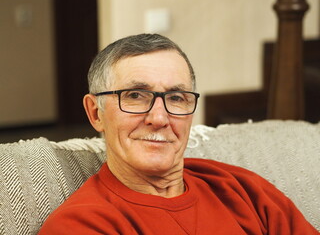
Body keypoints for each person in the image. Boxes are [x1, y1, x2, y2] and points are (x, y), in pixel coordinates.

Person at [38, 34, 319, 234]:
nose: (159, 118)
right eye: (135, 95)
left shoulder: (244, 189)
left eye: (175, 97)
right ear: (95, 113)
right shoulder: (80, 225)